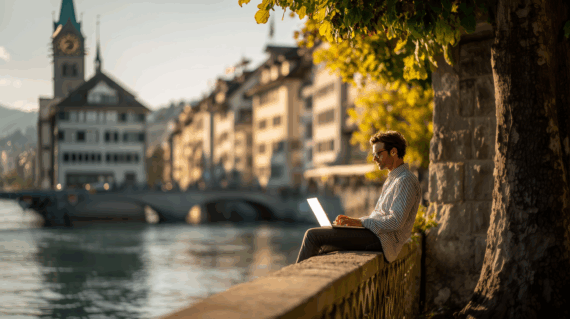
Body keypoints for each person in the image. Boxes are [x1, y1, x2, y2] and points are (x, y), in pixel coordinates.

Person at [296, 130, 422, 263]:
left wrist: (360, 222)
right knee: (324, 244)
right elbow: (379, 217)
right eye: (374, 154)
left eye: (378, 154)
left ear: (394, 152)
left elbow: (395, 221)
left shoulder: (405, 180)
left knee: (312, 236)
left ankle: (295, 281)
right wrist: (355, 222)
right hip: (377, 237)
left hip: (383, 242)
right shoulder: (393, 180)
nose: (374, 159)